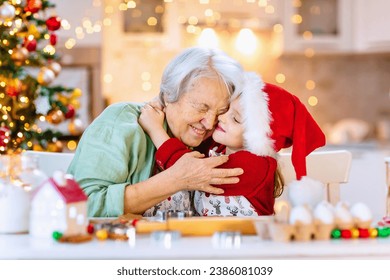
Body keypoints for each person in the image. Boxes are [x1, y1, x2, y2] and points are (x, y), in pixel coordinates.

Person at [67, 47, 246, 217]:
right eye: (201, 108)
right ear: (169, 95)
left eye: (221, 111)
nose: (209, 124)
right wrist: (176, 179)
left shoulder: (217, 138)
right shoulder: (121, 122)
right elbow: (82, 204)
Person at [140, 72, 326, 216]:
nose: (221, 117)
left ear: (256, 138)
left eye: (236, 119)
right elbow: (186, 147)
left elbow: (186, 168)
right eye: (226, 109)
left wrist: (155, 130)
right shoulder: (218, 147)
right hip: (210, 243)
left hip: (247, 248)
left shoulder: (257, 165)